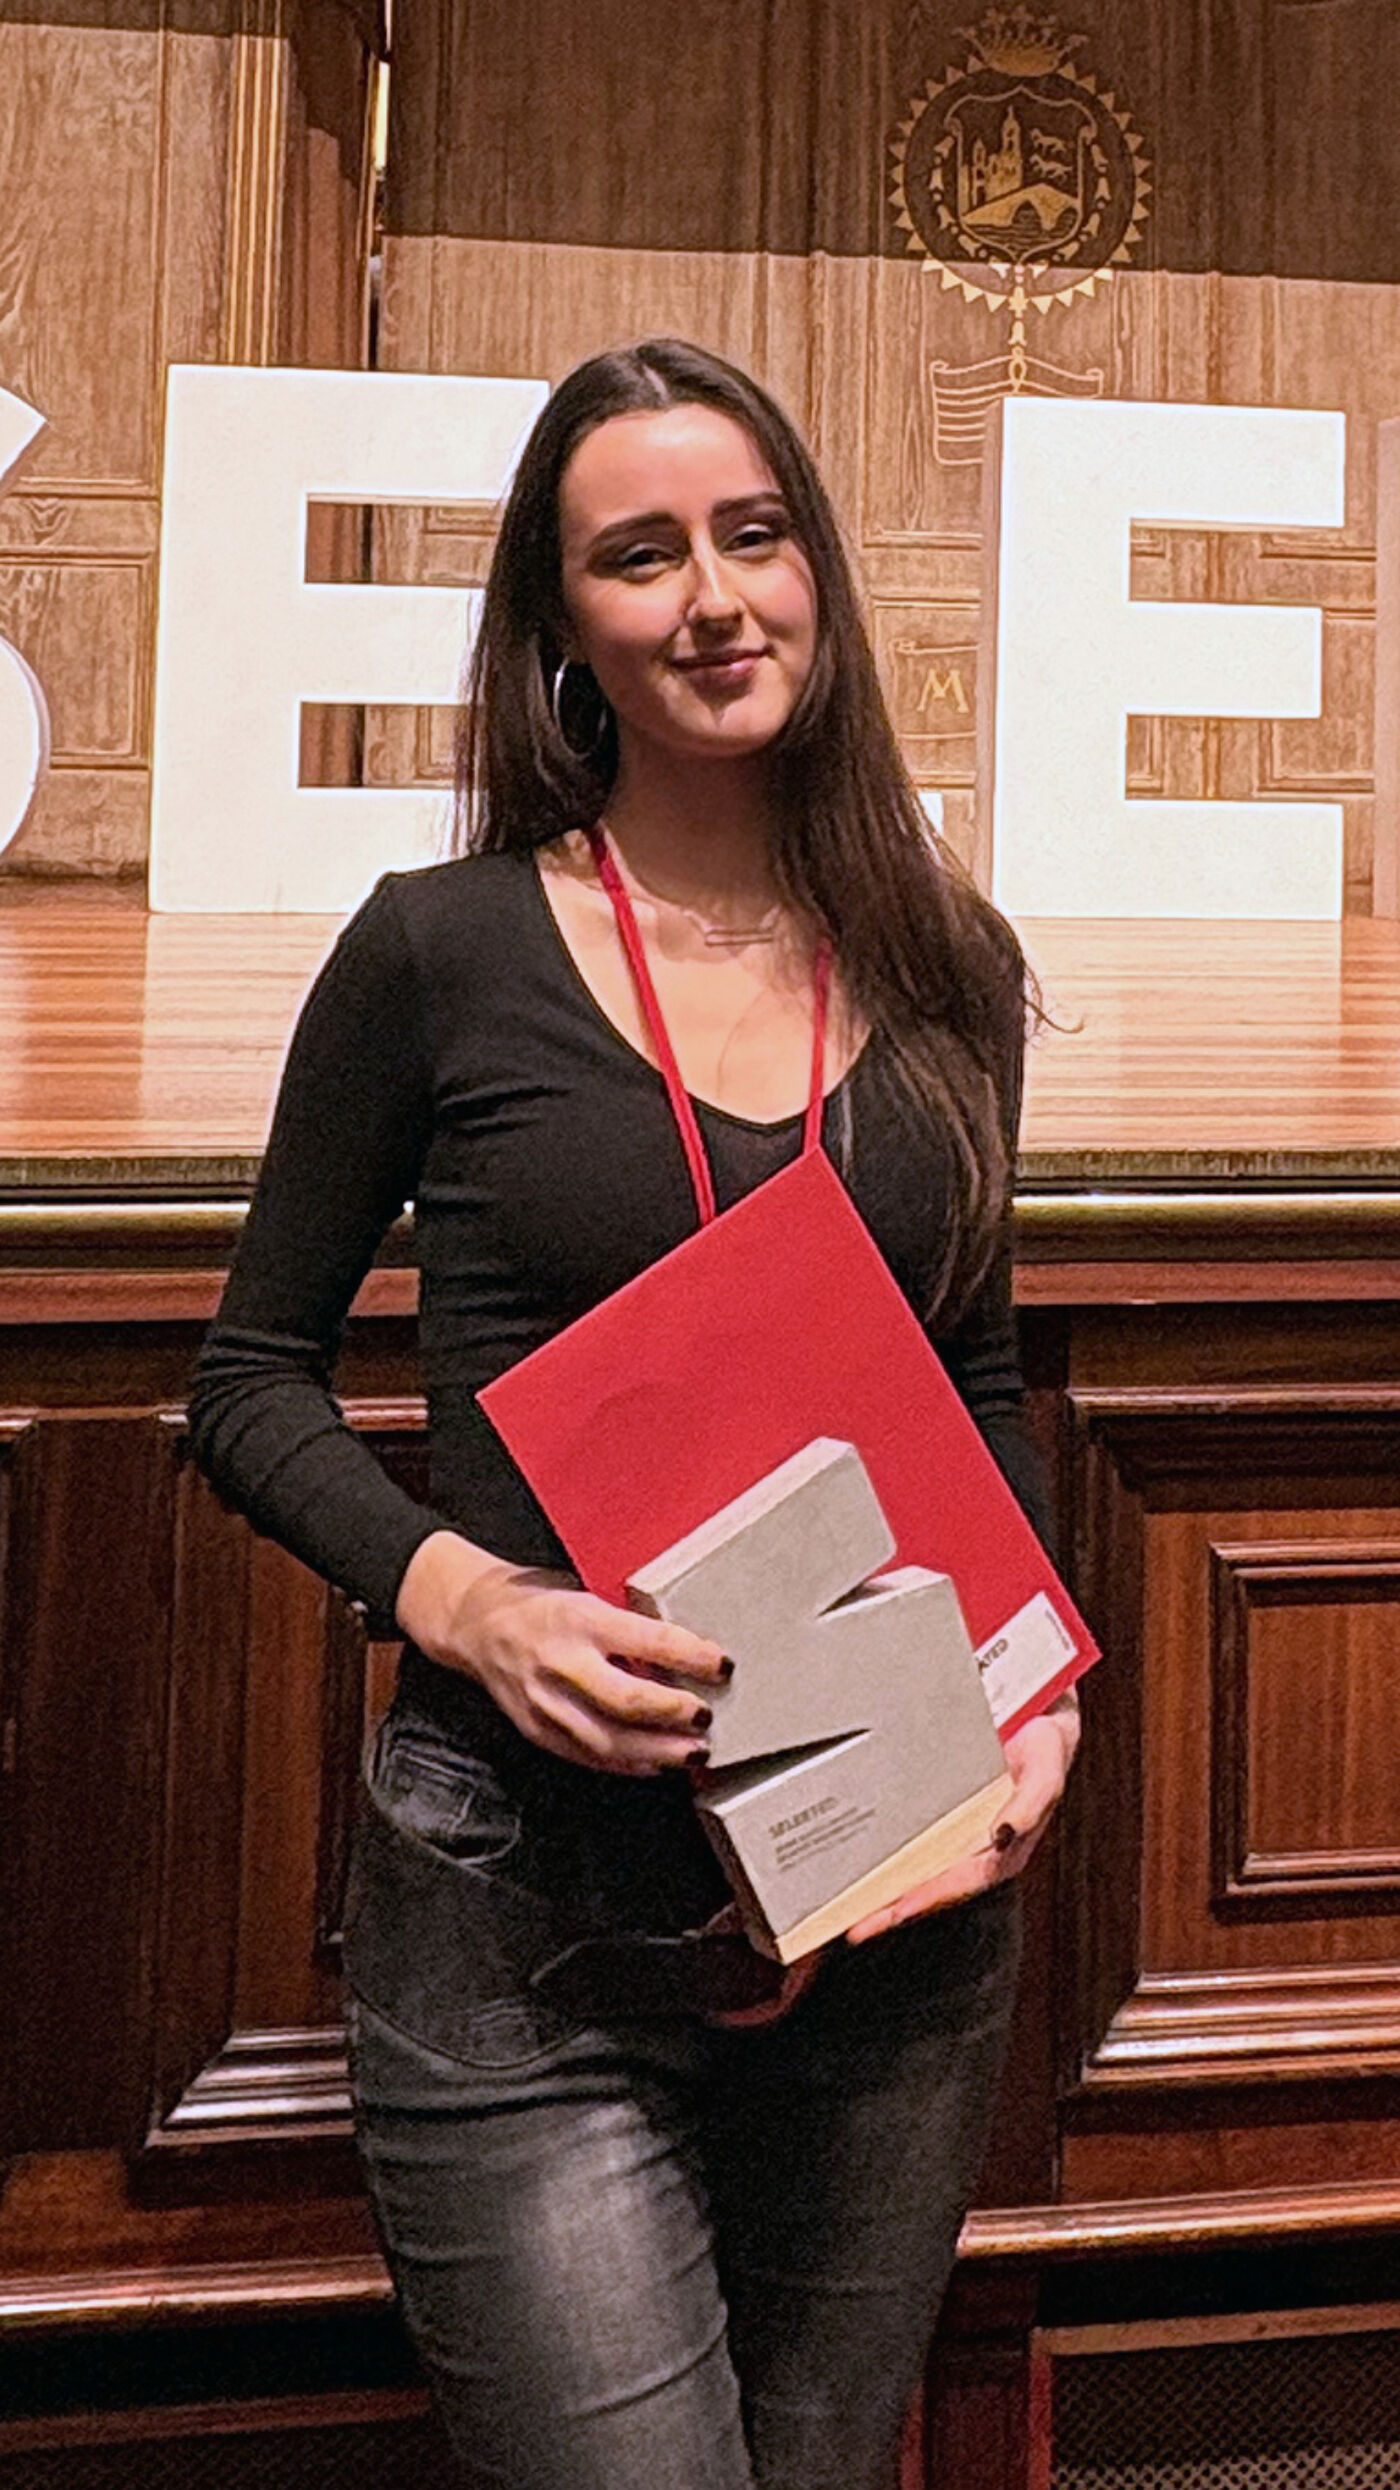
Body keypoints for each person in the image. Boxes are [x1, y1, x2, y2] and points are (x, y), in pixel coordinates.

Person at [189, 336, 1080, 2490]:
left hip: (887, 1895)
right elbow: (241, 1384)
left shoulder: (945, 963)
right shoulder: (440, 952)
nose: (713, 596)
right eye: (640, 553)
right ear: (559, 628)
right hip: (526, 1913)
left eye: (753, 534)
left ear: (821, 577)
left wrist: (1037, 1687)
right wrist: (462, 1601)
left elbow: (972, 1373)